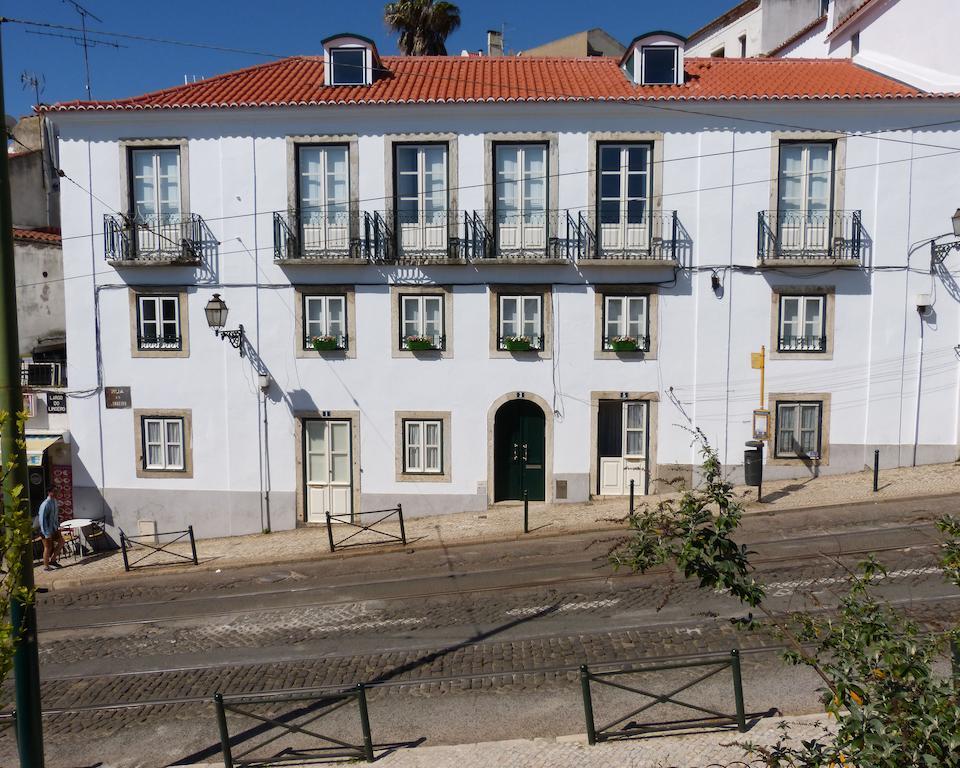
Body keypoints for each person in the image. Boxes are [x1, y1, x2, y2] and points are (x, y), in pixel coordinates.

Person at [38, 490, 63, 571]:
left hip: (54, 527)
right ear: (49, 492)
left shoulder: (55, 502)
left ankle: (53, 560)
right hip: (46, 529)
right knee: (47, 547)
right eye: (54, 491)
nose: (57, 493)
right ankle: (46, 566)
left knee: (61, 542)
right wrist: (46, 533)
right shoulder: (45, 504)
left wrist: (57, 526)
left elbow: (55, 516)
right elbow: (42, 519)